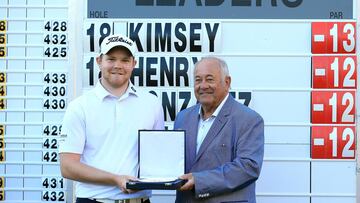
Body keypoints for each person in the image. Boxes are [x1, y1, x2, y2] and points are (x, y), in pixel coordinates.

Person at [59, 34, 164, 203]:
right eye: (111, 59)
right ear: (99, 61)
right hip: (94, 200)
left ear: (134, 64)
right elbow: (67, 167)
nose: (118, 65)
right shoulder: (79, 107)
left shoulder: (152, 104)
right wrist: (115, 179)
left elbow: (157, 156)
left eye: (125, 60)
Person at [174, 56, 264, 203]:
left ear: (227, 82)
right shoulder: (183, 118)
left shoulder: (249, 120)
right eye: (198, 80)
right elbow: (174, 161)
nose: (203, 86)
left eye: (209, 79)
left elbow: (248, 168)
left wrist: (199, 180)